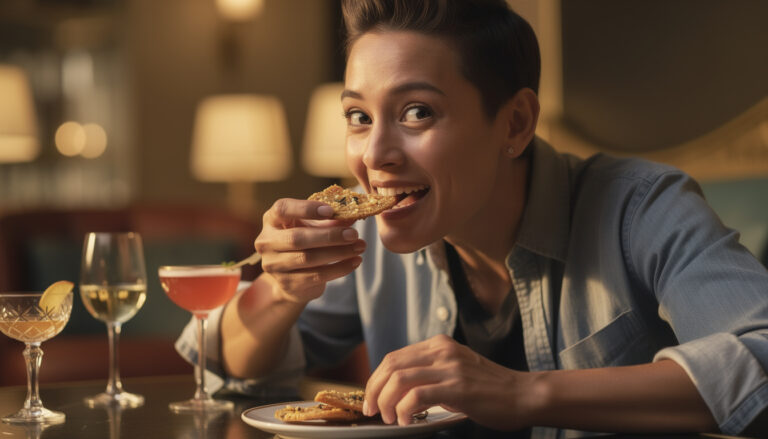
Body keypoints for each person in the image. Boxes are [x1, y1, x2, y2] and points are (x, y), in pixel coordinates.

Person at [175, 0, 768, 436]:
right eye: (358, 117)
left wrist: (522, 393)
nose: (375, 156)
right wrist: (281, 292)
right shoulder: (369, 240)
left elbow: (761, 357)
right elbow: (231, 367)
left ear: (515, 123)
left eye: (416, 112)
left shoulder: (641, 208)